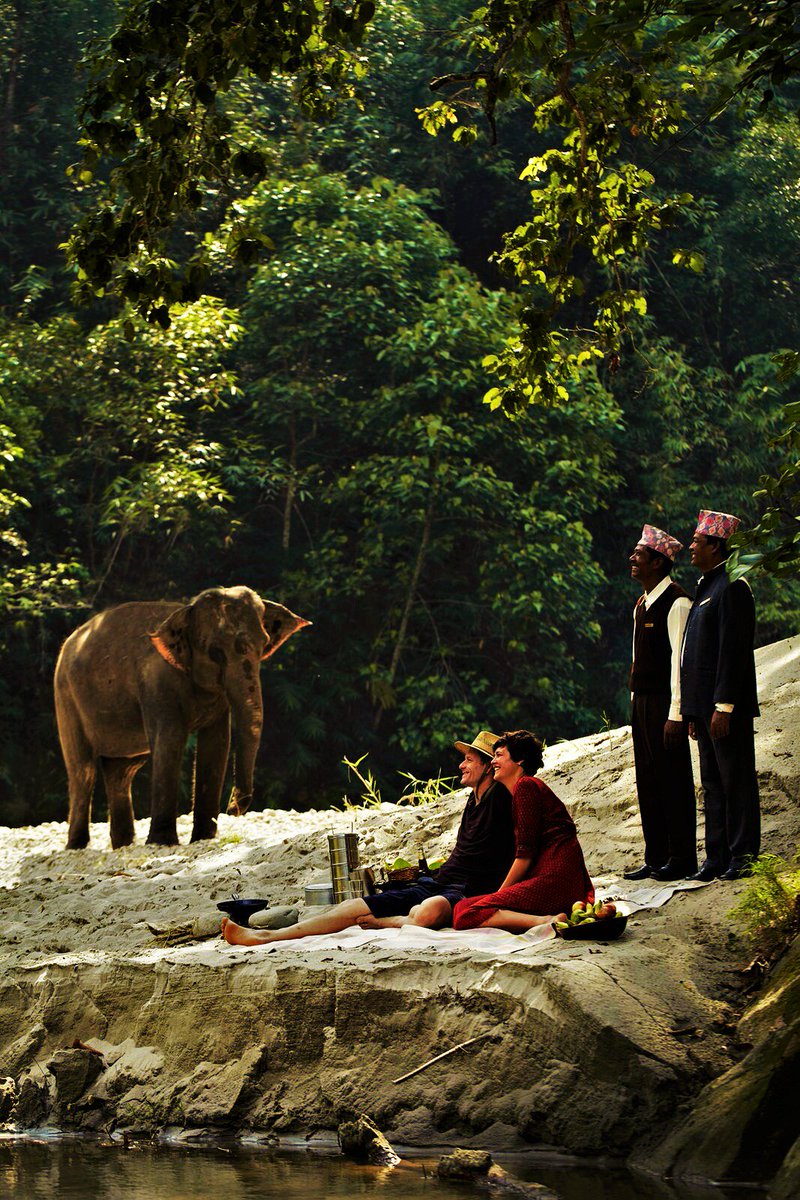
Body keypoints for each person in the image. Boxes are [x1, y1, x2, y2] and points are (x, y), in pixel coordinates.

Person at [222, 730, 515, 946]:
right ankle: (266, 935)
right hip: (440, 883)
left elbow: (513, 852)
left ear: (488, 766)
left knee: (427, 912)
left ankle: (385, 922)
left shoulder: (500, 798)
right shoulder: (472, 800)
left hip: (468, 891)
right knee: (353, 907)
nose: (461, 765)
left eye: (469, 760)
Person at [680, 510, 760, 882]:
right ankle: (716, 857)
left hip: (725, 708)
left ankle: (743, 856)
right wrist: (692, 711)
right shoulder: (706, 587)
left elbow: (733, 652)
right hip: (703, 709)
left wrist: (723, 705)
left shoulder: (733, 586)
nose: (691, 547)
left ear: (715, 546)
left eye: (697, 541)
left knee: (735, 780)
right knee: (712, 784)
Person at [452, 730, 594, 932]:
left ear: (519, 760)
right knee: (462, 907)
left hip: (555, 879)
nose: (493, 762)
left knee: (466, 914)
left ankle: (545, 921)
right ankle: (541, 919)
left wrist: (497, 897)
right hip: (560, 878)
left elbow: (525, 855)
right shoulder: (523, 789)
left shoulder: (525, 786)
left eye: (499, 755)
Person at [624, 524, 697, 882]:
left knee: (673, 780)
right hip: (642, 703)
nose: (632, 559)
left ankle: (682, 857)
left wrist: (677, 713)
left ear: (657, 562)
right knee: (648, 780)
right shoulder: (642, 604)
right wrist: (633, 701)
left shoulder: (678, 602)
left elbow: (678, 662)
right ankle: (656, 856)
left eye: (639, 554)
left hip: (665, 704)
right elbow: (637, 658)